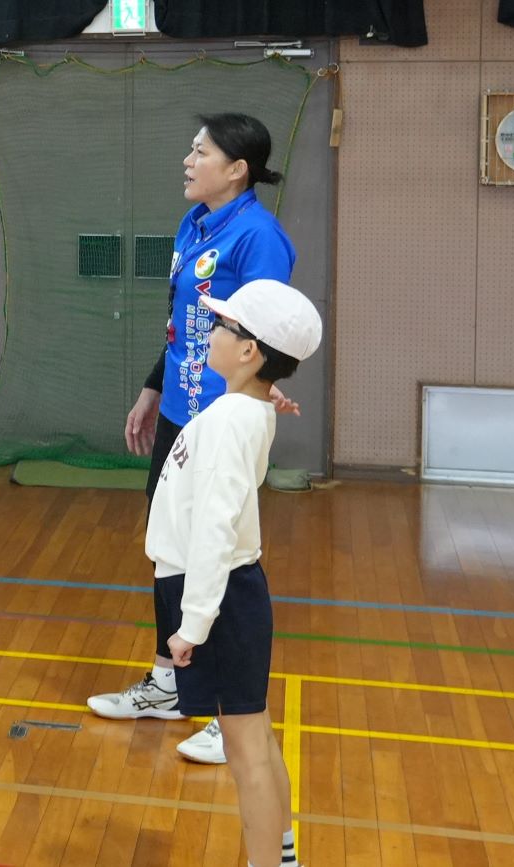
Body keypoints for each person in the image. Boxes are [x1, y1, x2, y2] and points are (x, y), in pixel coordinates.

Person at [87, 113, 301, 766]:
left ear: (236, 168)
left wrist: (265, 391)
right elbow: (181, 321)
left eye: (200, 151)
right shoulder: (193, 224)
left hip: (224, 418)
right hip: (181, 412)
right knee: (171, 552)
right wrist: (154, 388)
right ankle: (169, 684)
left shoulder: (259, 239)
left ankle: (228, 708)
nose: (187, 160)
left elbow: (270, 331)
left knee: (222, 554)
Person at [151, 278, 320, 867]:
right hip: (232, 592)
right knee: (256, 736)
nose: (211, 331)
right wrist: (265, 397)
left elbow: (215, 529)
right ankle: (283, 855)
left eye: (223, 326)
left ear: (249, 351)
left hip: (216, 596)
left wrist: (192, 624)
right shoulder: (245, 411)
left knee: (246, 751)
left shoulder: (231, 420)